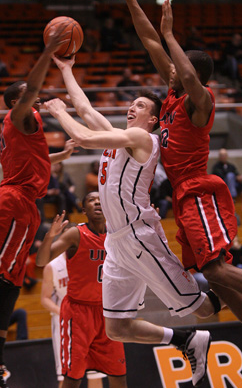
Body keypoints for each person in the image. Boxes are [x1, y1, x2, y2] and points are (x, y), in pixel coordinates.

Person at [43, 55, 227, 388]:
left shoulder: (144, 141)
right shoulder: (119, 136)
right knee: (117, 328)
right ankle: (185, 340)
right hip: (116, 242)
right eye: (131, 102)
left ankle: (232, 283)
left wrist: (57, 111)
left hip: (140, 237)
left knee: (203, 309)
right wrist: (67, 70)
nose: (131, 107)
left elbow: (82, 137)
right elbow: (85, 111)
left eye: (140, 105)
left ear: (154, 120)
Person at [106, 0, 242, 322]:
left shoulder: (201, 103)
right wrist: (133, 1)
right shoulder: (170, 100)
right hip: (182, 196)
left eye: (177, 70)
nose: (169, 71)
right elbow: (150, 42)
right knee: (212, 276)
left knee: (219, 271)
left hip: (199, 190)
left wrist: (170, 33)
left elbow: (184, 70)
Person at [0, 25, 76, 388]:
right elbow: (31, 88)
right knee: (2, 275)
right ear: (18, 103)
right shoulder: (17, 118)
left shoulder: (30, 132)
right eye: (35, 98)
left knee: (13, 280)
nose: (42, 101)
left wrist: (64, 153)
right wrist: (48, 52)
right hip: (14, 203)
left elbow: (40, 161)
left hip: (25, 208)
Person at [37, 193, 127, 388]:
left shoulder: (117, 234)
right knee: (72, 378)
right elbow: (41, 261)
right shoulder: (75, 234)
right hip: (78, 313)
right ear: (84, 210)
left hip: (107, 312)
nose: (96, 202)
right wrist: (49, 237)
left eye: (100, 199)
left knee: (118, 375)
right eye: (91, 200)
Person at [41, 235, 106, 388]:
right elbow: (45, 298)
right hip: (65, 324)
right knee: (66, 376)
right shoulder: (52, 266)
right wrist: (64, 312)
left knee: (95, 374)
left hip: (91, 319)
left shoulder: (92, 259)